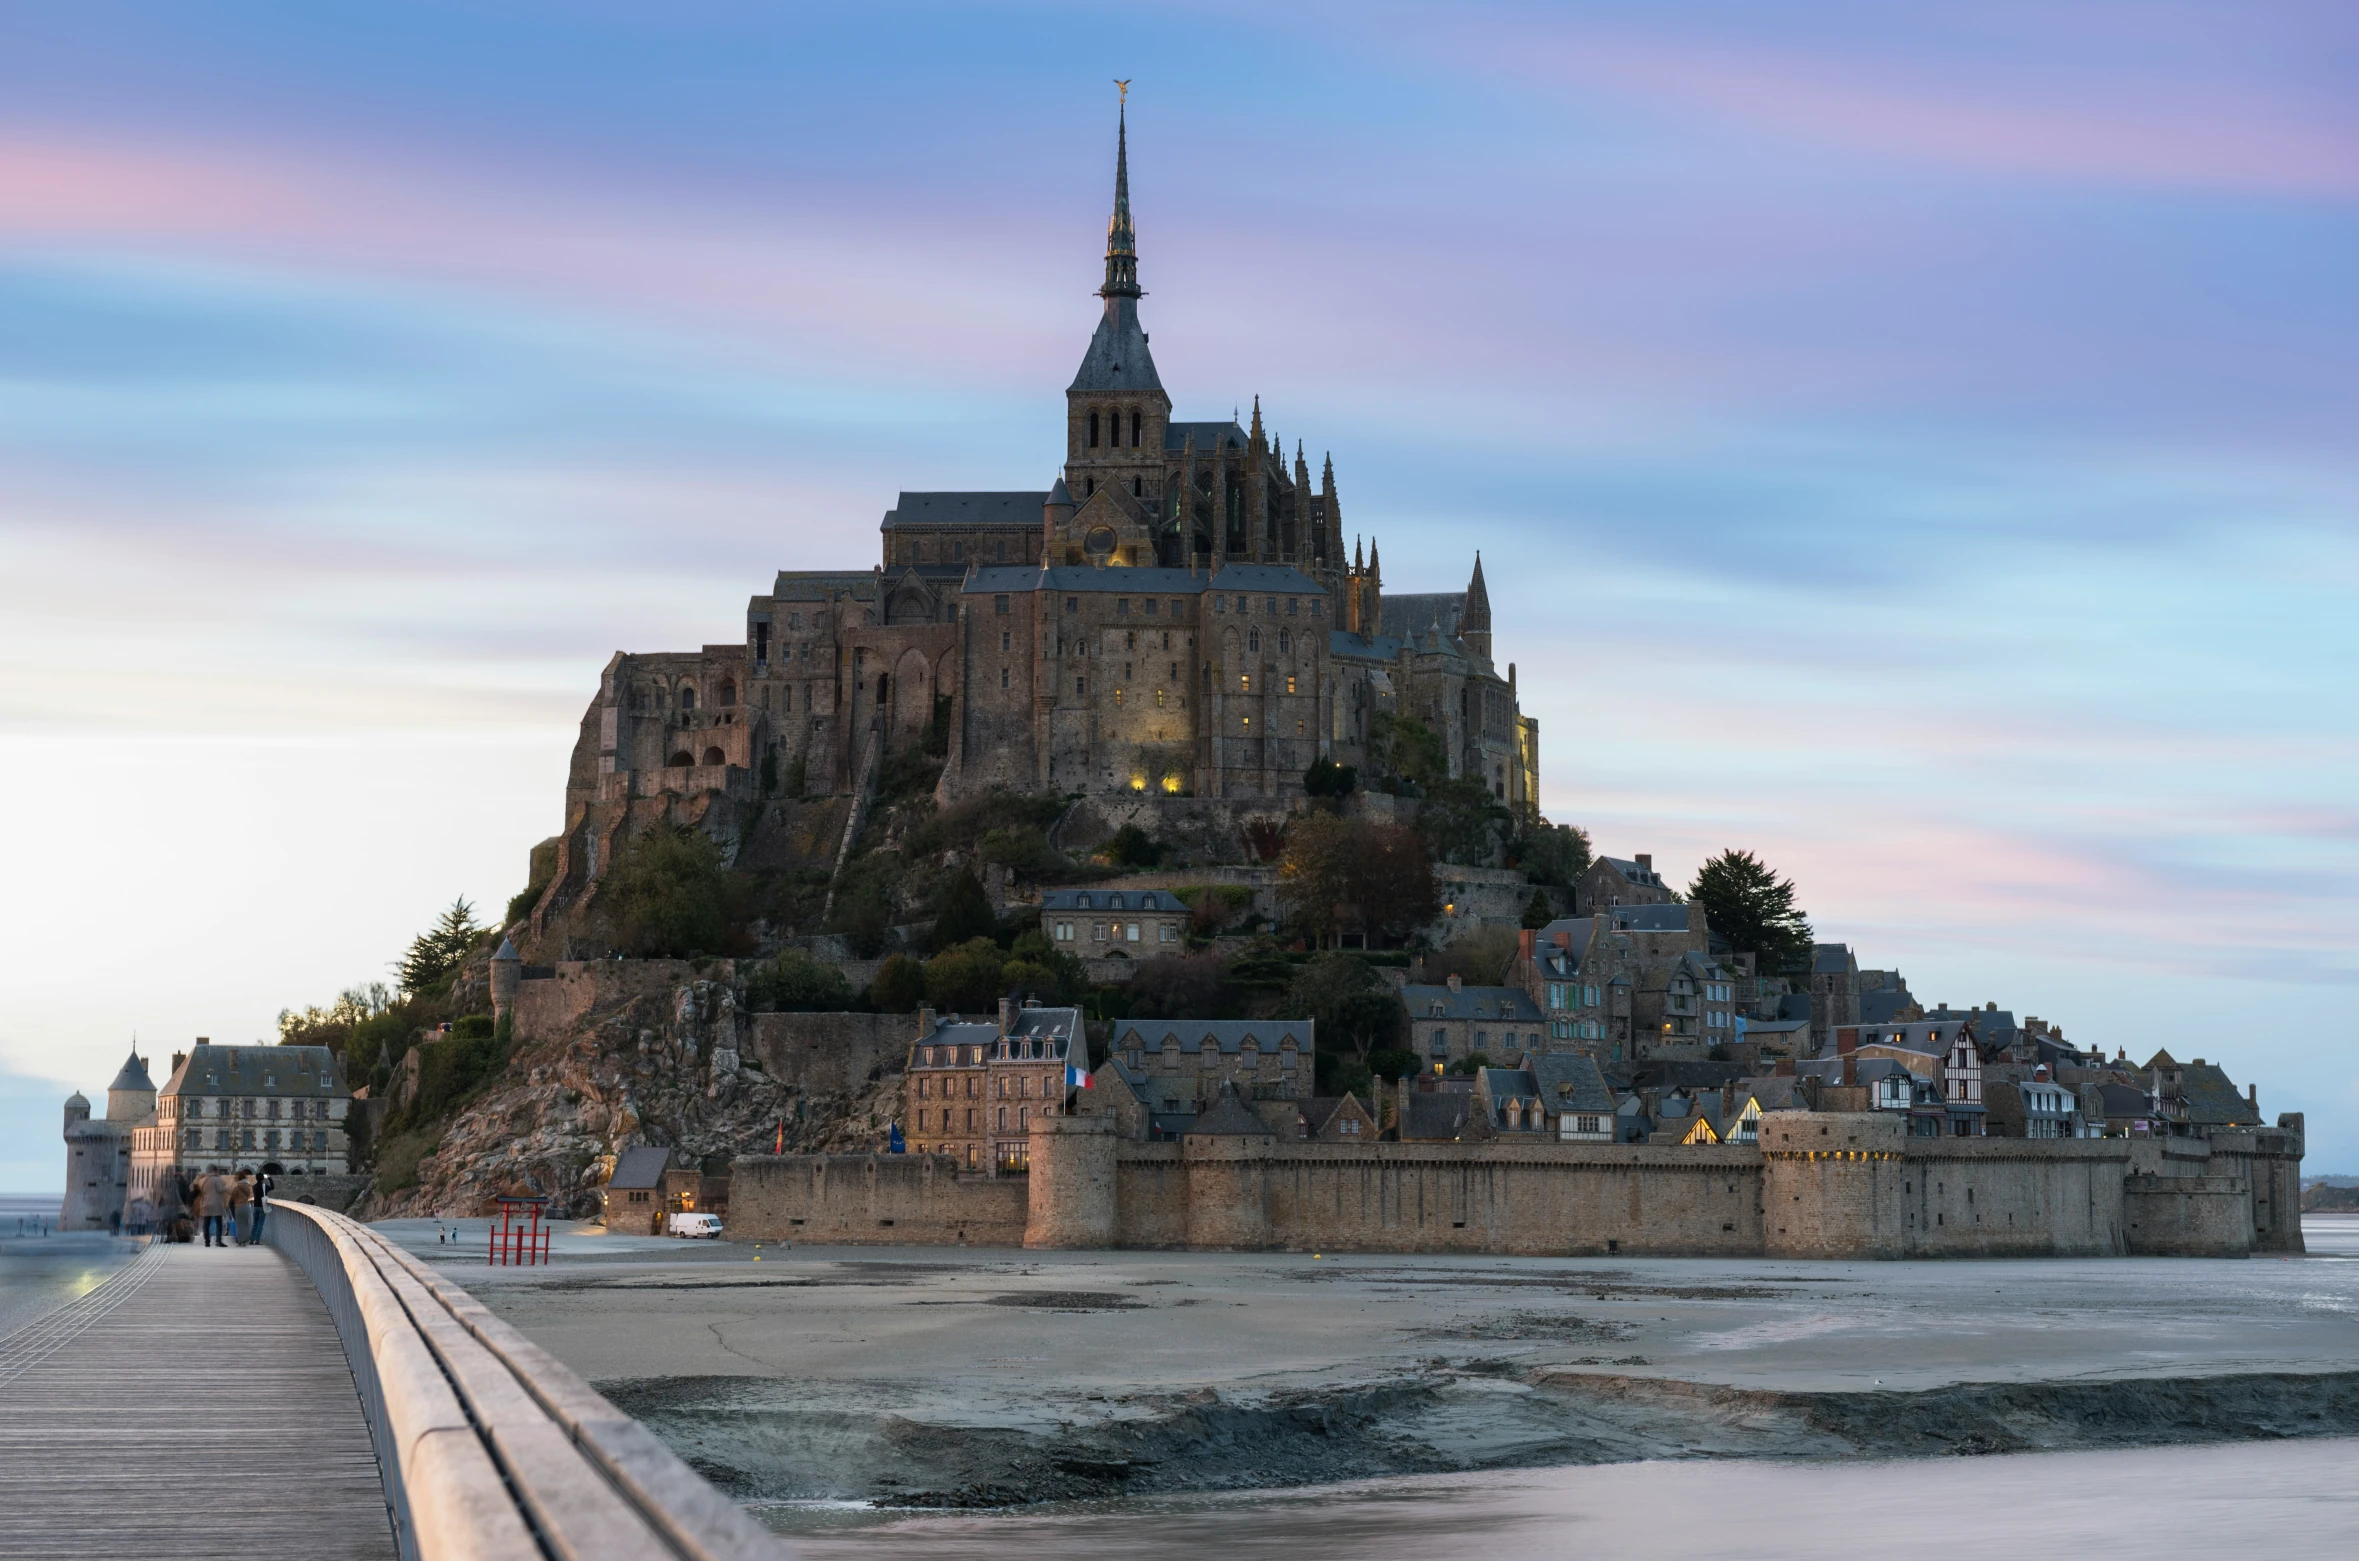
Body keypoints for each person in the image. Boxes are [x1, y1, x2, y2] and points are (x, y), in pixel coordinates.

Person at [196, 1169, 227, 1247]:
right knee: (218, 1222)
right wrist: (227, 1188)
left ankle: (207, 1241)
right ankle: (218, 1240)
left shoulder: (202, 1181)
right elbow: (220, 1189)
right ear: (214, 1171)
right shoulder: (216, 1179)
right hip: (216, 1203)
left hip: (205, 1203)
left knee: (206, 1223)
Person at [228, 1172, 254, 1246]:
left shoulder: (236, 1187)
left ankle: (240, 1241)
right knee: (246, 1224)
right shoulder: (247, 1186)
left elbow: (232, 1198)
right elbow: (248, 1195)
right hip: (246, 1206)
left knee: (239, 1225)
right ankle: (245, 1240)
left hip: (238, 1207)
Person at [250, 1169, 273, 1245]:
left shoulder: (254, 1187)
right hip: (262, 1207)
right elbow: (272, 1187)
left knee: (255, 1224)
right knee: (260, 1224)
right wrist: (269, 1178)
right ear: (263, 1178)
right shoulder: (265, 1186)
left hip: (255, 1206)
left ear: (256, 1178)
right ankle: (257, 1240)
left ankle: (251, 1239)